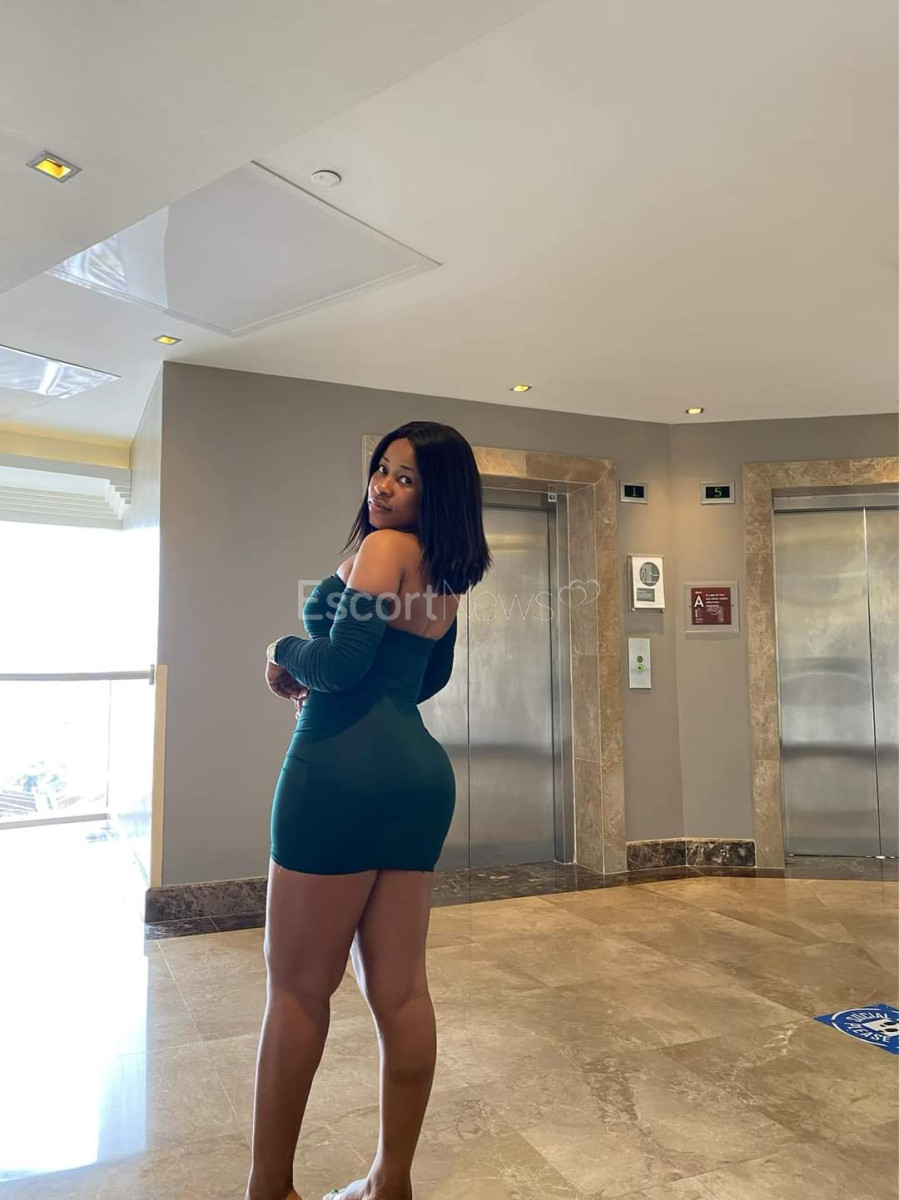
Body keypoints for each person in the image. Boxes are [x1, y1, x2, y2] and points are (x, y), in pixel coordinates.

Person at [247, 422, 491, 1200]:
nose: (382, 486)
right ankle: (391, 1182)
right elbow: (422, 680)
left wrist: (282, 650)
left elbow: (341, 664)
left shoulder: (385, 549)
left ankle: (269, 1190)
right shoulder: (445, 572)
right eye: (381, 469)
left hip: (337, 770)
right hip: (416, 775)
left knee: (296, 991)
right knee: (402, 991)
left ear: (436, 493)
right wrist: (328, 671)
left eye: (405, 478)